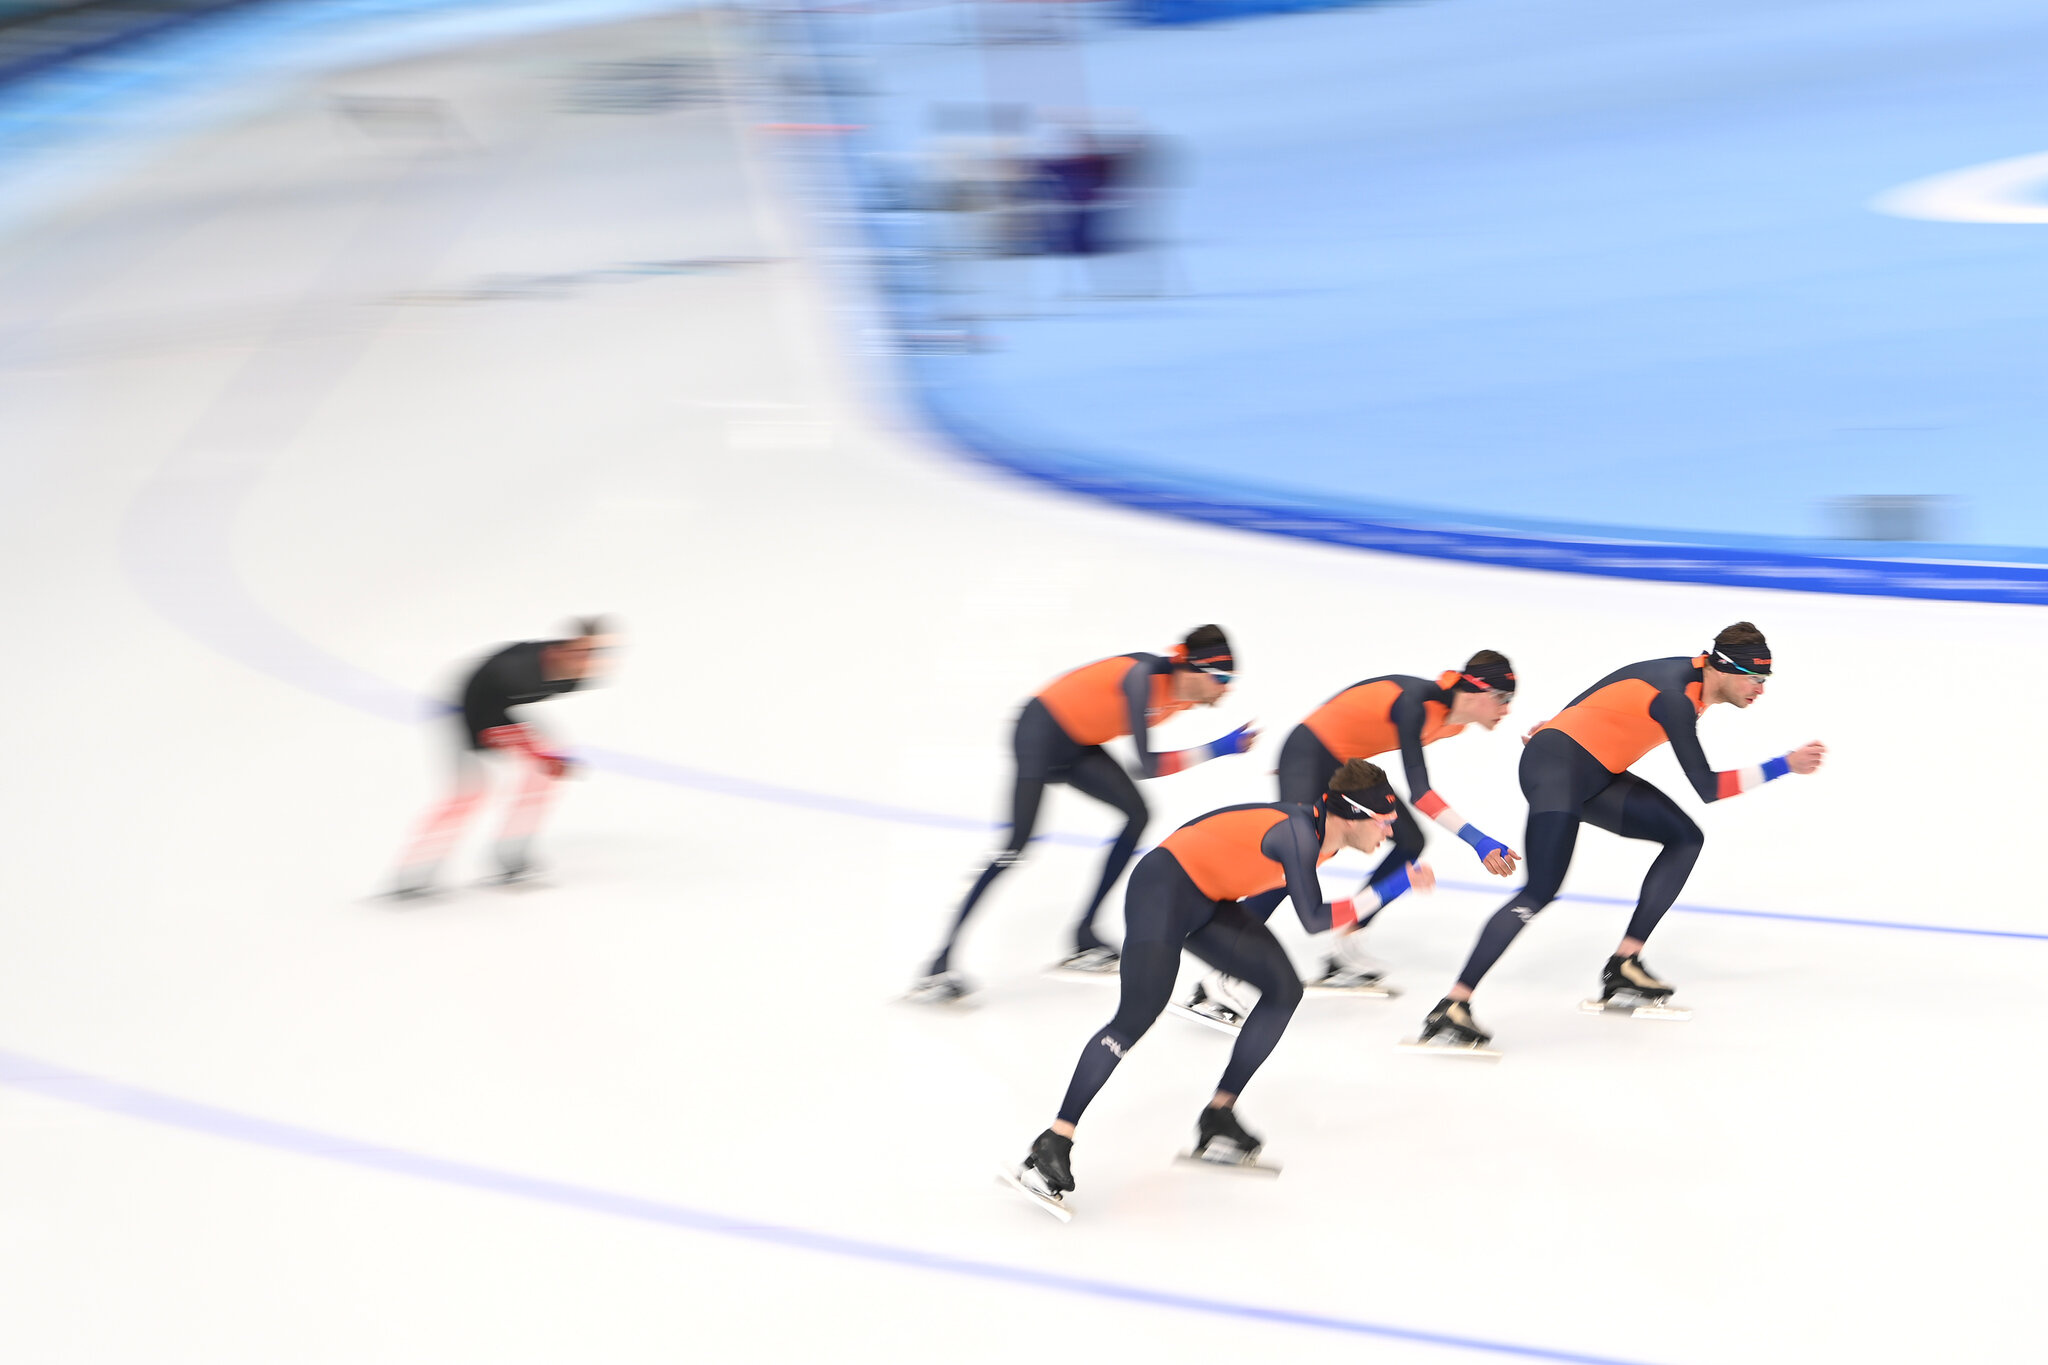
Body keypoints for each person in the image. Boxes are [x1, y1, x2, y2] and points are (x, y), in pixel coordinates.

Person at [1008, 760, 1409, 1215]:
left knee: (1283, 990)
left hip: (1208, 900)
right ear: (1353, 815)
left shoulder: (1323, 838)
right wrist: (1395, 884)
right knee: (1136, 1016)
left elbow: (1251, 874)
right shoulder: (1299, 835)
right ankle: (1054, 1141)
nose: (1389, 832)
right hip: (1161, 891)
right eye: (1384, 821)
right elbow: (1314, 920)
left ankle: (1218, 1115)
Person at [1417, 622, 1825, 1049]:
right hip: (1556, 771)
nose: (1760, 689)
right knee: (1539, 892)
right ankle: (1453, 1004)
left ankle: (1624, 964)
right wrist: (1785, 765)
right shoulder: (1676, 700)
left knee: (1685, 837)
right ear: (1724, 668)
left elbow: (1616, 684)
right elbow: (1709, 788)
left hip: (1595, 773)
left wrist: (1559, 720)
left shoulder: (1687, 676)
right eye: (1755, 678)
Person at [1174, 651, 1519, 1030]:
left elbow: (1354, 709)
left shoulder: (1454, 724)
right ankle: (1218, 978)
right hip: (1311, 756)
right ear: (1477, 690)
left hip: (1342, 765)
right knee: (1297, 862)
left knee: (1409, 841)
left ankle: (1345, 947)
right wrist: (1478, 840)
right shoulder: (1416, 704)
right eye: (1503, 698)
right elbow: (1420, 792)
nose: (1506, 709)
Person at [912, 626, 1255, 1001]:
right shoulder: (1142, 679)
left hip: (1078, 745)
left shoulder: (1185, 697)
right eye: (1221, 678)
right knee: (1015, 847)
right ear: (1192, 670)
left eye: (1230, 680)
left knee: (1137, 815)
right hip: (1039, 733)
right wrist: (1220, 748)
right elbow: (1146, 765)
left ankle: (1085, 934)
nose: (1226, 688)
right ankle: (938, 962)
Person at [389, 617, 617, 897]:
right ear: (559, 650)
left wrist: (542, 755)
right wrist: (540, 754)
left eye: (594, 654)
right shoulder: (521, 671)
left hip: (499, 704)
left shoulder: (575, 677)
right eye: (581, 653)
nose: (587, 662)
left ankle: (511, 857)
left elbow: (508, 710)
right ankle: (413, 874)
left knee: (543, 776)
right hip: (470, 708)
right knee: (469, 794)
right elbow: (489, 719)